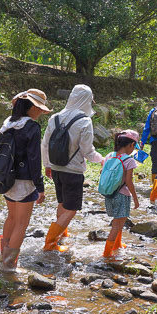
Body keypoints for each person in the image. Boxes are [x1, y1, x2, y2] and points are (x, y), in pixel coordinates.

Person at [41, 84, 104, 252]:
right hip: (73, 171)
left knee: (62, 202)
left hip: (55, 168)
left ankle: (62, 233)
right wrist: (102, 159)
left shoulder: (54, 118)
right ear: (86, 100)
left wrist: (47, 164)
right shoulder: (84, 121)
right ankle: (50, 243)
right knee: (72, 207)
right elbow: (88, 151)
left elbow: (45, 144)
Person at [0, 90, 51, 273]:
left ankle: (3, 256)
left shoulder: (8, 124)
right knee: (22, 223)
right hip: (25, 181)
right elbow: (34, 159)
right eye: (40, 110)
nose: (41, 114)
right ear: (34, 107)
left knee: (11, 218)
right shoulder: (31, 127)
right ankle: (9, 265)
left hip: (6, 178)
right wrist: (40, 187)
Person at [101, 132, 139, 257]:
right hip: (122, 195)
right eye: (134, 146)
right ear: (131, 144)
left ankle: (117, 244)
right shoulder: (129, 160)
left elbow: (103, 171)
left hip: (109, 193)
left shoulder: (109, 156)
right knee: (117, 225)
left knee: (119, 221)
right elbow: (128, 181)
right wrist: (135, 198)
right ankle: (107, 253)